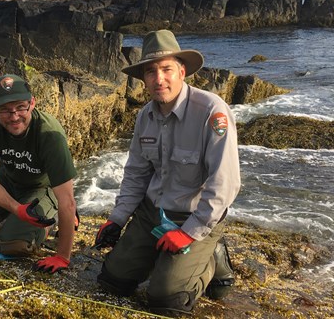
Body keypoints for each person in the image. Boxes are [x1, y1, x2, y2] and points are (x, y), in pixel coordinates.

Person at [94, 29, 240, 315]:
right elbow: (136, 173)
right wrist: (117, 219)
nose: (159, 78)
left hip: (194, 214)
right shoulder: (144, 115)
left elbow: (226, 183)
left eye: (166, 69)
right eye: (151, 71)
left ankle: (213, 256)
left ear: (182, 71)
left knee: (166, 300)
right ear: (144, 79)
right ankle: (163, 256)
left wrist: (189, 233)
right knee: (112, 281)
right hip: (153, 212)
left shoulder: (212, 111)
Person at [0, 74, 78, 274]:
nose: (14, 116)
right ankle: (12, 214)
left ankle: (47, 224)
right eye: (5, 110)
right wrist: (16, 208)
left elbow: (68, 200)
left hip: (42, 188)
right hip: (8, 181)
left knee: (15, 245)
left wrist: (62, 256)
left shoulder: (49, 134)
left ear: (32, 103)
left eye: (21, 107)